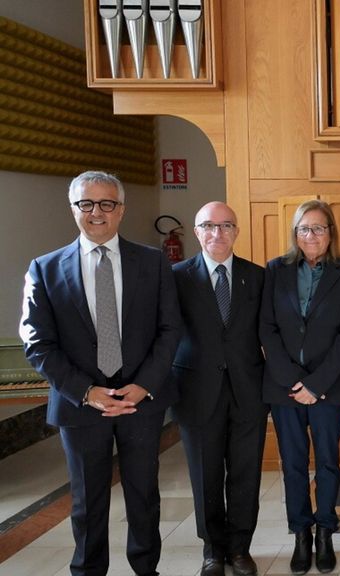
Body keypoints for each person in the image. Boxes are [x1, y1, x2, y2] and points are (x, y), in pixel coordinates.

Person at [20, 171, 182, 576]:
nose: (97, 212)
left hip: (140, 402)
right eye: (86, 204)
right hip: (80, 405)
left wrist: (143, 384)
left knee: (144, 495)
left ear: (122, 209)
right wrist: (87, 391)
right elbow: (38, 343)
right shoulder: (44, 268)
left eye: (107, 203)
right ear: (73, 208)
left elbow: (170, 329)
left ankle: (147, 569)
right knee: (87, 501)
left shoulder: (153, 262)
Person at [260, 200, 340, 575]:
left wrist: (316, 385)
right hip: (283, 389)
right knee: (294, 465)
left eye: (319, 228)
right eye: (304, 228)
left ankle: (325, 533)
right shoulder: (276, 270)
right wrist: (293, 381)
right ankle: (301, 533)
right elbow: (266, 328)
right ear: (295, 233)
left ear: (330, 232)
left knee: (329, 463)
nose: (311, 235)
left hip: (329, 388)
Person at [170, 202, 267, 576]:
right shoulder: (177, 277)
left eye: (226, 226)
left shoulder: (257, 277)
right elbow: (165, 334)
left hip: (248, 390)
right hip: (196, 390)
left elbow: (268, 332)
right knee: (205, 473)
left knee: (245, 474)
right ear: (197, 232)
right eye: (209, 226)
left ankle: (240, 548)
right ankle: (213, 550)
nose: (217, 233)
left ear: (236, 231)